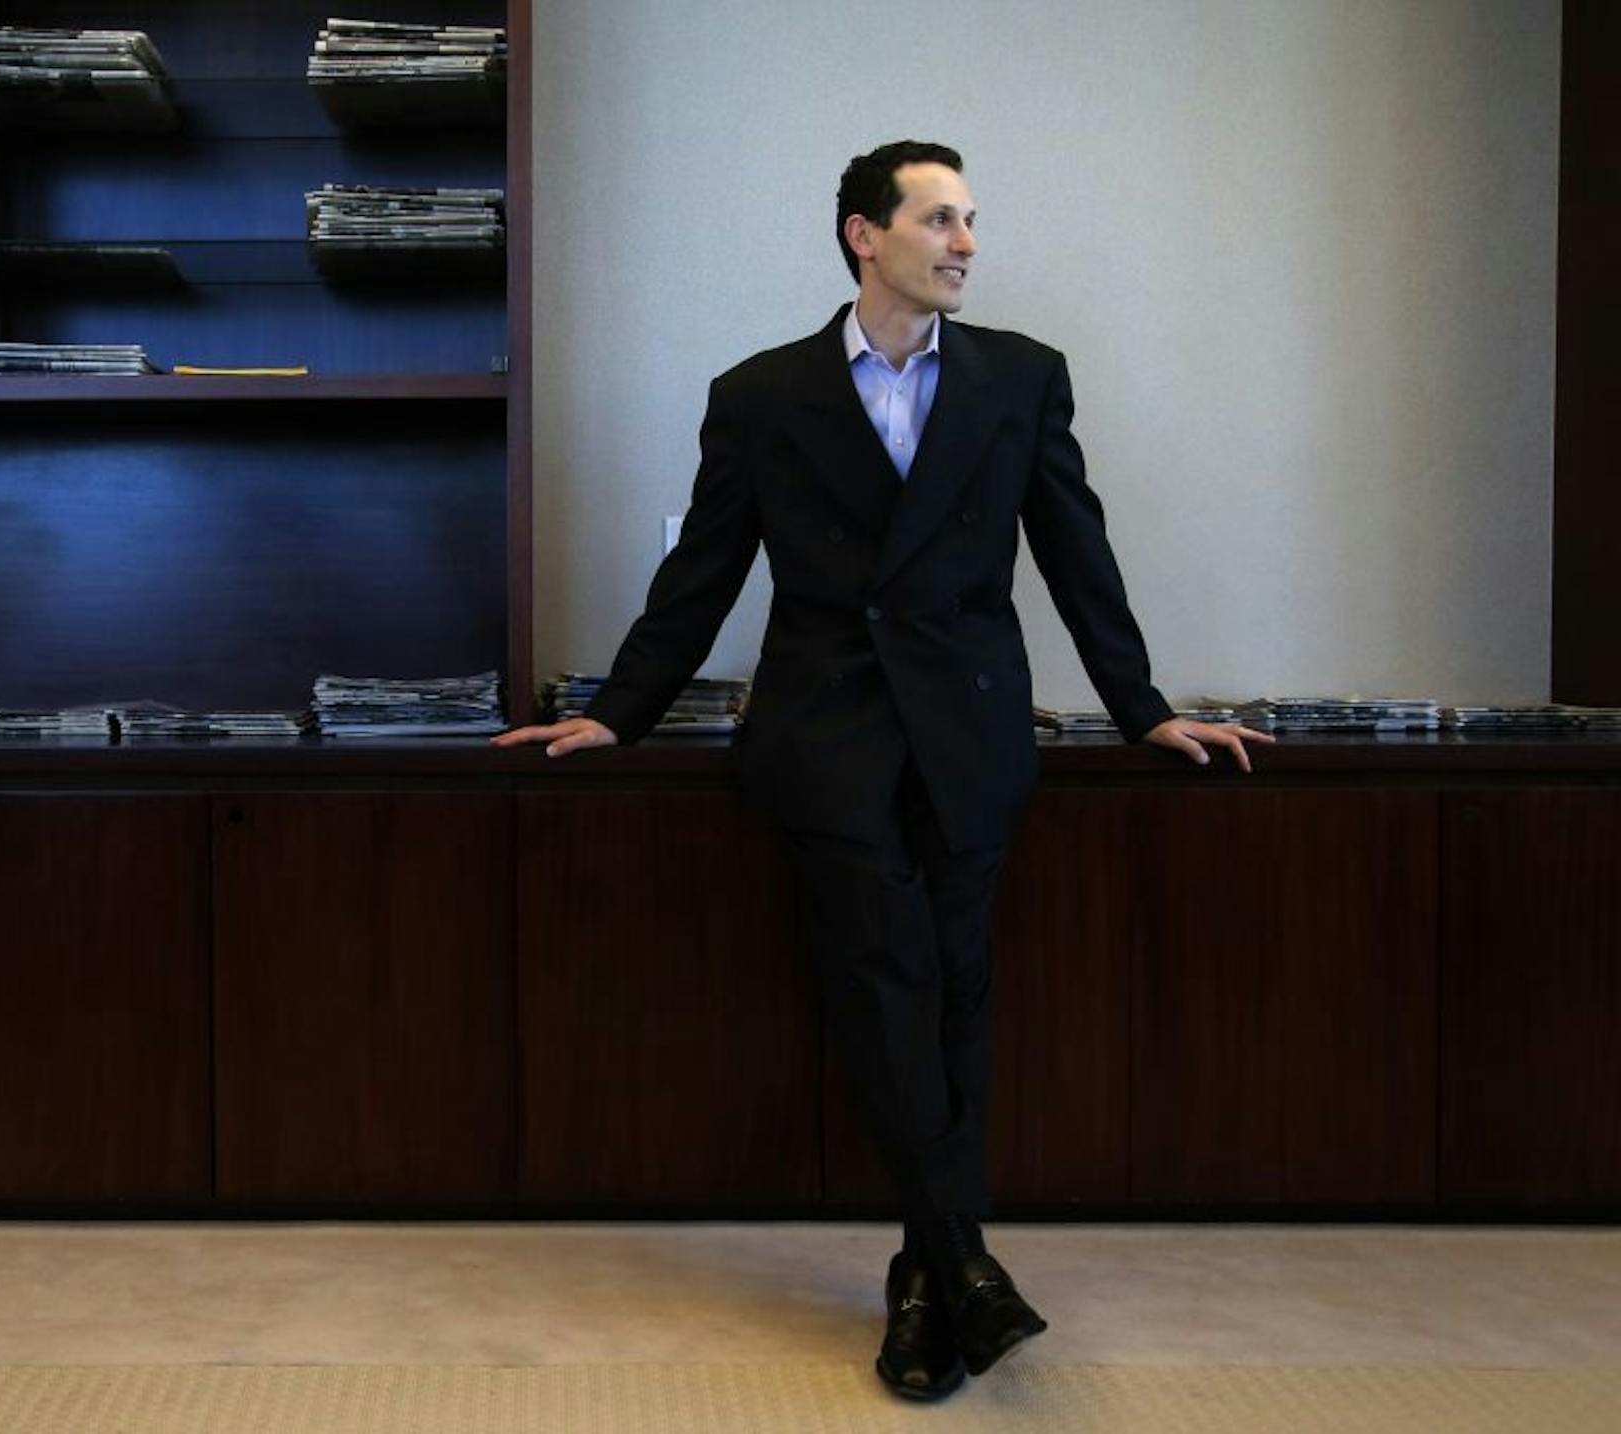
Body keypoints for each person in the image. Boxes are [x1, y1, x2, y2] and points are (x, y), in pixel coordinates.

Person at [492, 140, 1272, 1400]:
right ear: (866, 235)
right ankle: (963, 1257)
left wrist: (1143, 710)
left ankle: (926, 1278)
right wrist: (620, 714)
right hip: (828, 734)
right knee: (885, 974)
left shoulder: (1021, 380)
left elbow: (1079, 554)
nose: (965, 242)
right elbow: (706, 574)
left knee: (957, 989)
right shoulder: (760, 394)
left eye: (971, 221)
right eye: (939, 219)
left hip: (970, 729)